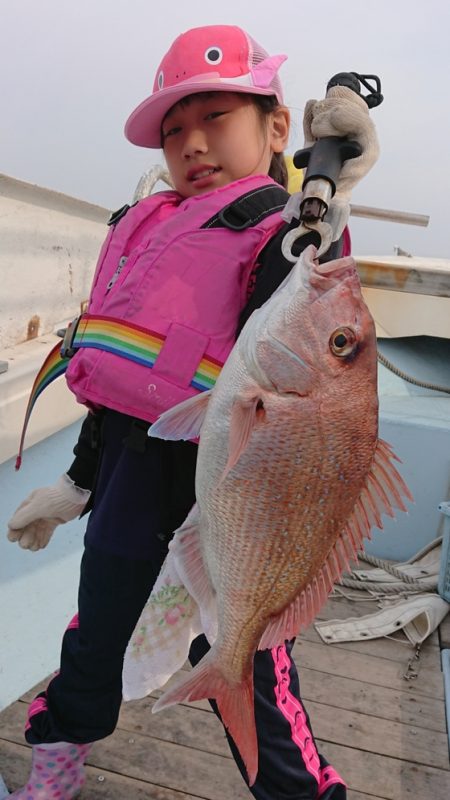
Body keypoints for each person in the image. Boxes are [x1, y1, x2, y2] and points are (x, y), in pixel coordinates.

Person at [6, 24, 378, 800]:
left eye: (217, 117)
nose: (193, 142)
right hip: (129, 473)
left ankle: (301, 792)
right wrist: (78, 483)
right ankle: (60, 753)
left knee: (255, 660)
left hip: (243, 489)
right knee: (94, 632)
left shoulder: (282, 225)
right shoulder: (148, 224)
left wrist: (331, 192)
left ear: (277, 128)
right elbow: (114, 375)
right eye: (175, 128)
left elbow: (307, 278)